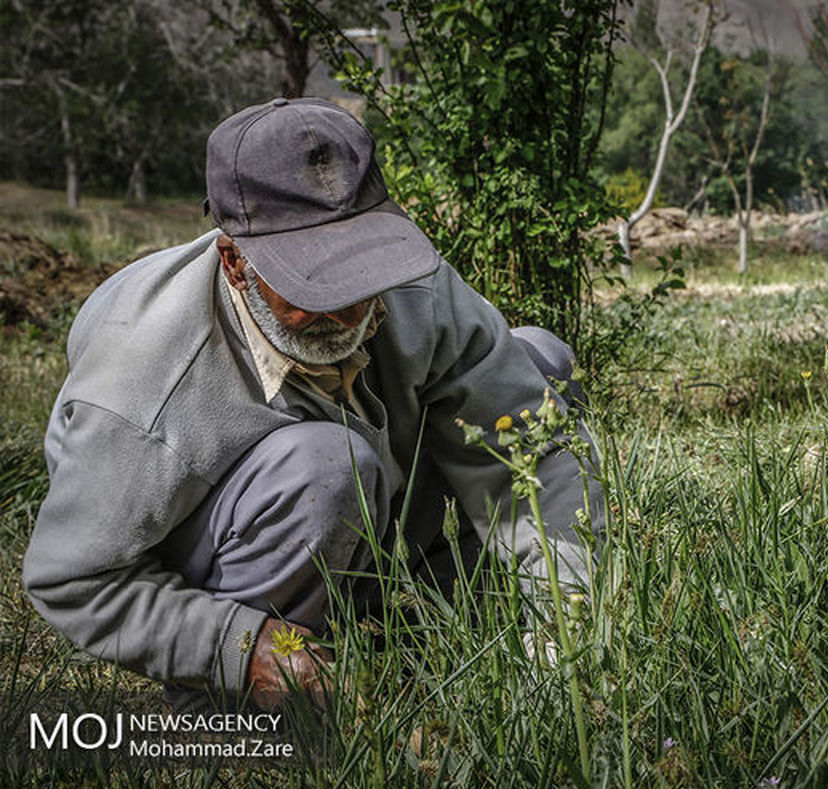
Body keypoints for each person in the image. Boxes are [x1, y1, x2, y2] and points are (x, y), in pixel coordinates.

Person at [22, 97, 603, 711]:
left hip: (375, 539)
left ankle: (397, 633)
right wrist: (238, 648)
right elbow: (72, 579)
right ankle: (235, 706)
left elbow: (531, 463)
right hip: (221, 567)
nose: (348, 304)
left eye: (360, 266)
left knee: (537, 365)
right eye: (311, 281)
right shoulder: (142, 379)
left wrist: (568, 630)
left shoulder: (416, 288)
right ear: (235, 263)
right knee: (326, 463)